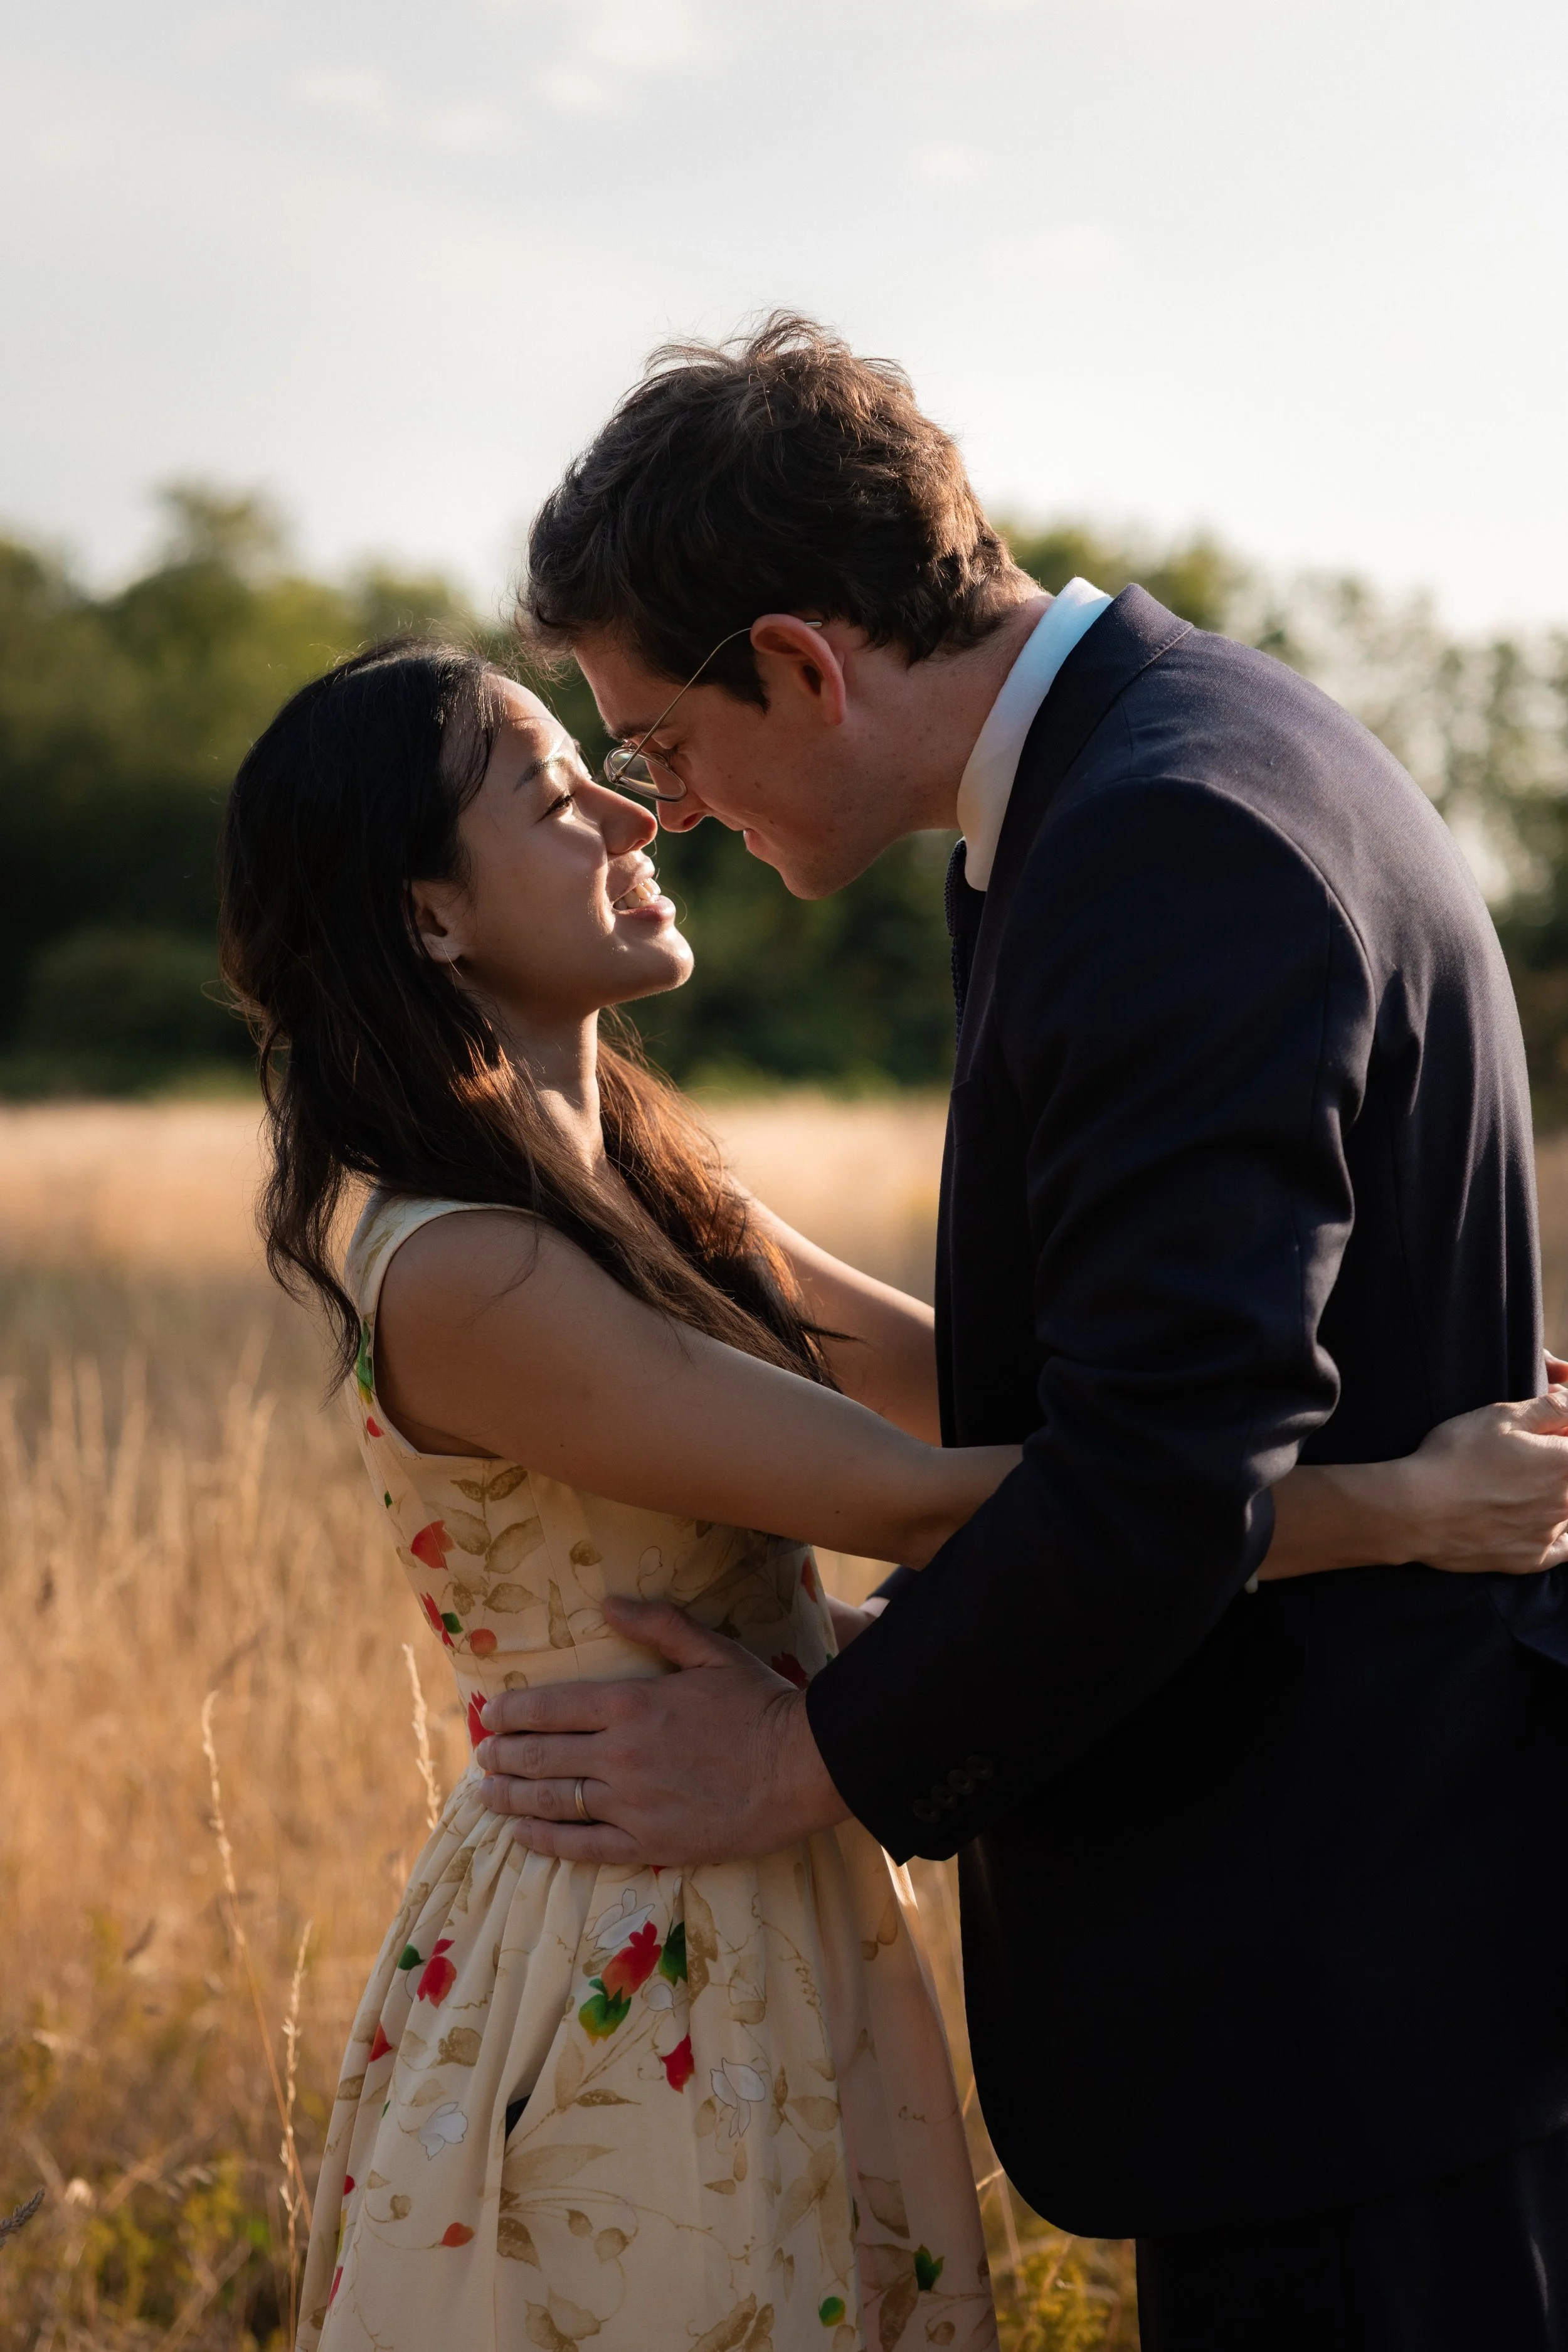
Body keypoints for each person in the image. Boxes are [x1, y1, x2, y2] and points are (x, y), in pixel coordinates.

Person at [217, 640, 1568, 2352]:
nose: (640, 815)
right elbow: (944, 1497)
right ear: (426, 917)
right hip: (618, 1924)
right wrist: (1399, 1504)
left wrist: (1400, 1392)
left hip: (758, 1876)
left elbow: (1025, 1413)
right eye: (559, 795)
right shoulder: (463, 1270)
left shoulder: (640, 1189)